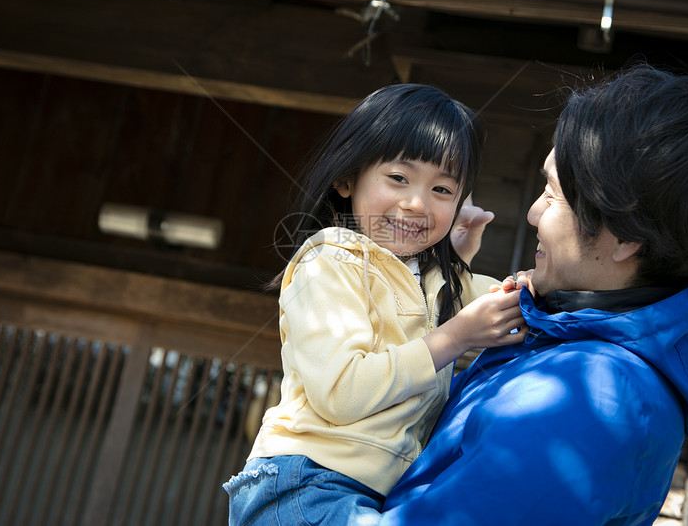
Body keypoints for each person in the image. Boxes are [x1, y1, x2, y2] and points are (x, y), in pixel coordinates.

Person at [378, 64, 688, 525]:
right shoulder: (567, 341)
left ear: (624, 237)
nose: (535, 213)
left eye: (554, 195)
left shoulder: (594, 400)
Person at [223, 84, 527, 524]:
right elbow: (343, 393)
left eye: (442, 190)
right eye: (399, 178)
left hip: (370, 492)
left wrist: (465, 268)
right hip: (306, 484)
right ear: (347, 178)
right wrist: (456, 336)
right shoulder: (330, 261)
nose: (417, 203)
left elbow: (515, 310)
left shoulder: (431, 278)